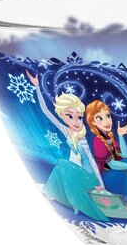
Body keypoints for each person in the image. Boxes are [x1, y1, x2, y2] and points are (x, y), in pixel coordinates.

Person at [26, 71, 109, 222]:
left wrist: (101, 184)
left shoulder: (81, 136)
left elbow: (91, 160)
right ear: (62, 115)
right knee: (60, 166)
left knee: (63, 164)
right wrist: (37, 87)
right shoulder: (65, 130)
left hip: (88, 177)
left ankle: (74, 201)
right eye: (70, 116)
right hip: (74, 173)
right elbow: (45, 111)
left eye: (79, 117)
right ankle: (61, 199)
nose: (76, 121)